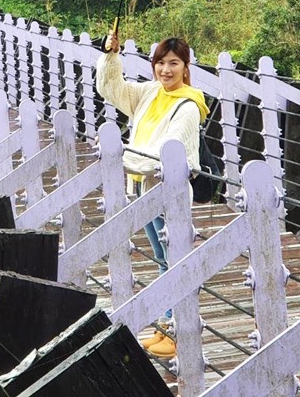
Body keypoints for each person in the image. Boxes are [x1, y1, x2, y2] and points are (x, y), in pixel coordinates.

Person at [96, 32, 208, 358]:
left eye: (174, 63)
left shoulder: (188, 105)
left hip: (166, 191)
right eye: (160, 62)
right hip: (143, 187)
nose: (166, 69)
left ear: (186, 67)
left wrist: (120, 156)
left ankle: (176, 332)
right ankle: (165, 327)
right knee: (162, 259)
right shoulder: (149, 93)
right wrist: (111, 56)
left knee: (172, 259)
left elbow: (168, 153)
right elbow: (111, 89)